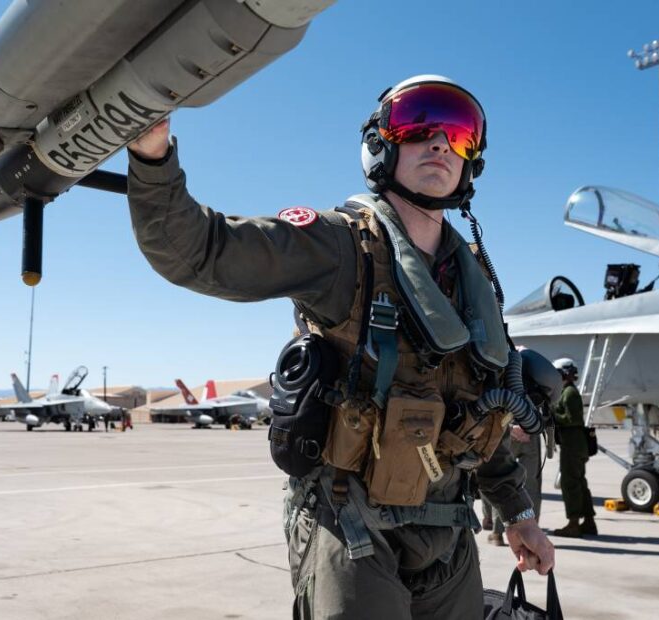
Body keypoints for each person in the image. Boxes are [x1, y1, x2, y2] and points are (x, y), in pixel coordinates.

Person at [126, 75, 554, 618]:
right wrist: (152, 151)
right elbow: (199, 251)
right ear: (381, 144)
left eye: (459, 134)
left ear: (472, 161)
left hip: (449, 538)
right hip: (351, 528)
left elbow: (483, 410)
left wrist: (519, 515)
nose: (440, 143)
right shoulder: (339, 245)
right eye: (418, 123)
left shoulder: (473, 283)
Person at [551, 357, 597, 537]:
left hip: (573, 444)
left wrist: (552, 413)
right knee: (579, 483)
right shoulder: (568, 391)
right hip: (575, 444)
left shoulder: (569, 393)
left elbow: (572, 419)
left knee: (570, 483)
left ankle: (573, 523)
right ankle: (588, 522)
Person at [482, 423, 542, 546]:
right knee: (531, 484)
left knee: (500, 479)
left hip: (506, 428)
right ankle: (530, 532)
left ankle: (497, 533)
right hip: (532, 430)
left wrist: (509, 428)